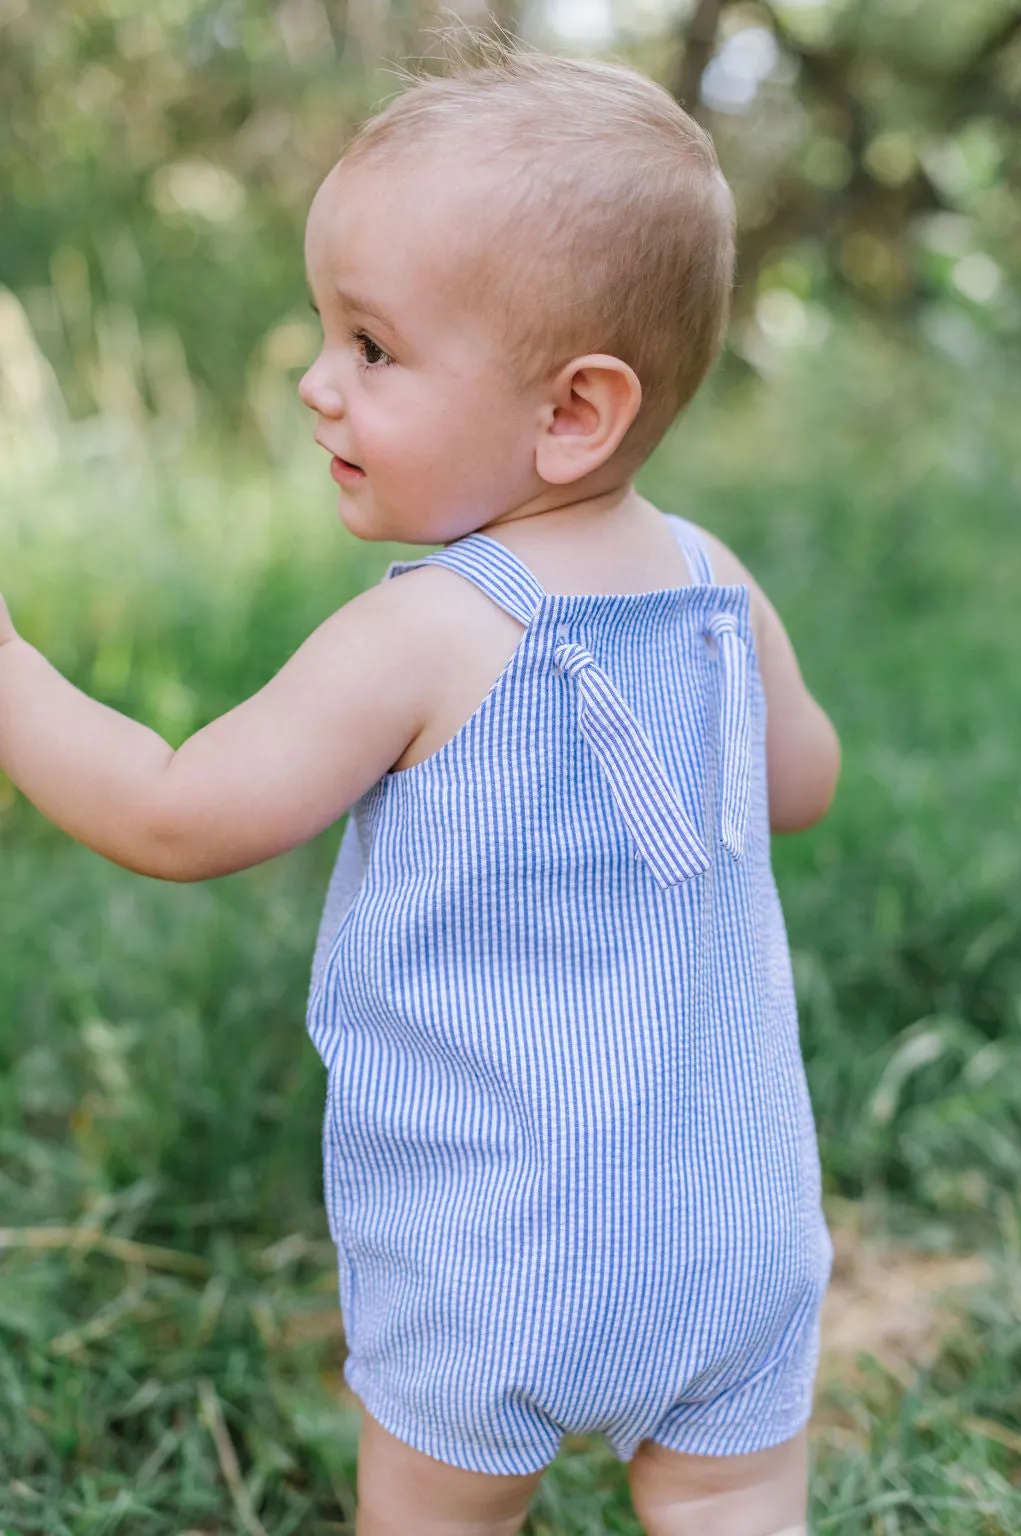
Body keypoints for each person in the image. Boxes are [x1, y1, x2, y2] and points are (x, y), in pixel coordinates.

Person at [0, 38, 840, 1536]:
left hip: (494, 1257)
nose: (320, 385)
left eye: (373, 349)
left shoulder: (428, 632)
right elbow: (804, 783)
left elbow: (177, 813)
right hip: (736, 1239)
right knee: (732, 1507)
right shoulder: (719, 588)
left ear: (572, 412)